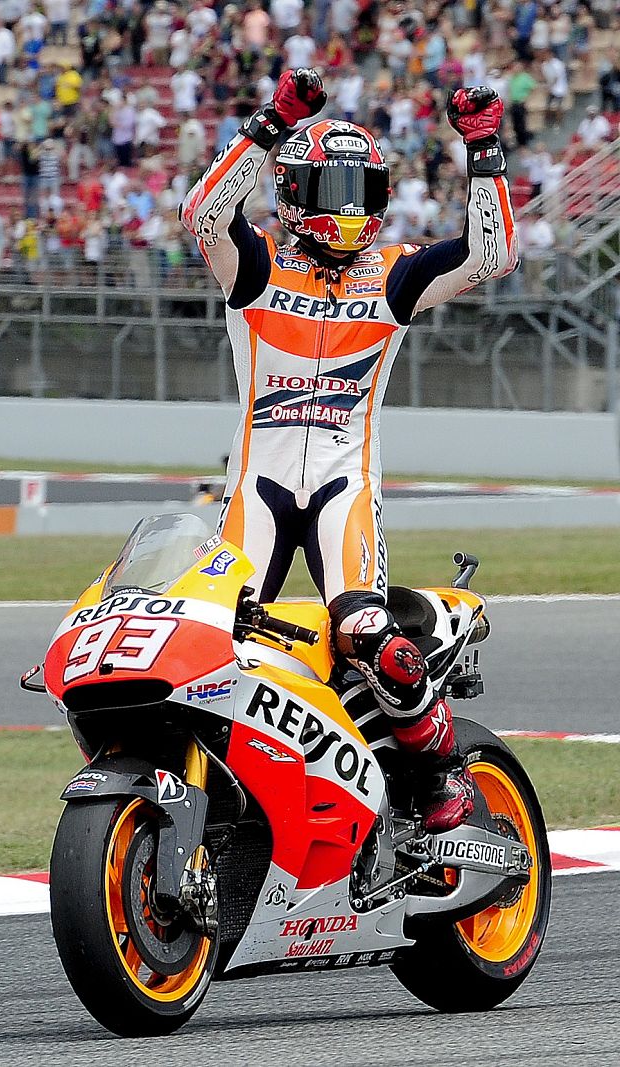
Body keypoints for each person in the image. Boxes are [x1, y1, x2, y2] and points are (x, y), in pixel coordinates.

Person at [180, 69, 519, 833]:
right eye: (331, 188)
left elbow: (491, 255)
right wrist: (275, 119)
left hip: (344, 485)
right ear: (293, 193)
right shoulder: (257, 263)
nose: (348, 207)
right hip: (256, 485)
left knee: (366, 631)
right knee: (213, 639)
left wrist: (484, 146)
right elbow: (201, 214)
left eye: (362, 190)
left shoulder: (394, 274)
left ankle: (440, 782)